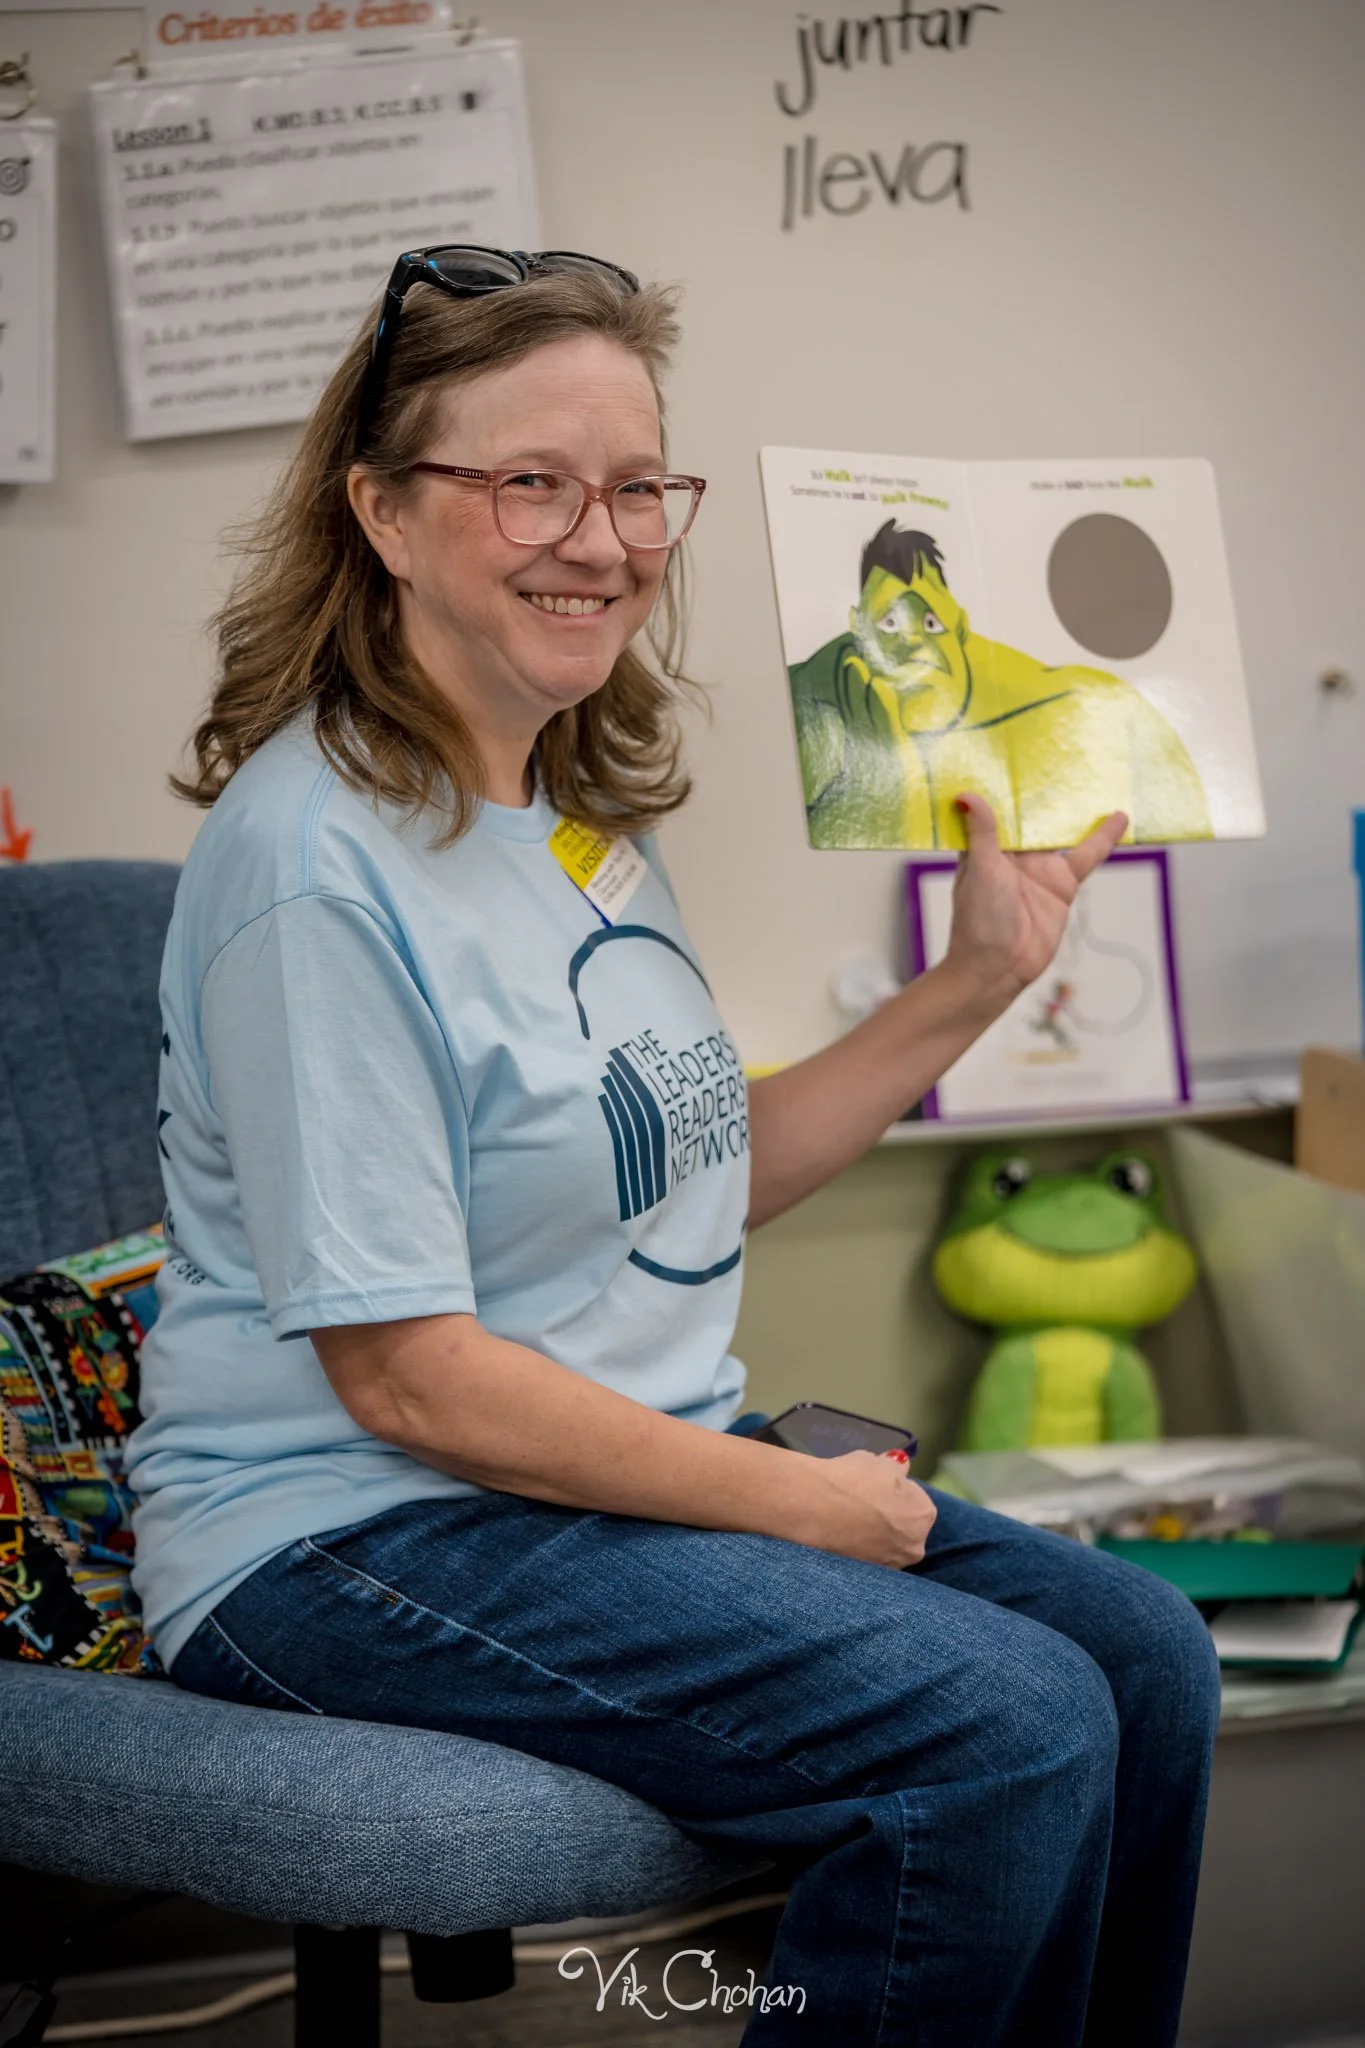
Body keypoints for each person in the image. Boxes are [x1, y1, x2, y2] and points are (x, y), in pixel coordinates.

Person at [128, 247, 1221, 2048]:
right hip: (347, 1536)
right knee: (1006, 1729)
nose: (604, 537)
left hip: (589, 1484)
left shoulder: (563, 811)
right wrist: (800, 1501)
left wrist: (978, 982)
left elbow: (690, 1179)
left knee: (1149, 1667)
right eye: (531, 481)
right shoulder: (312, 866)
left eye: (639, 487)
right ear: (386, 515)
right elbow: (406, 1380)